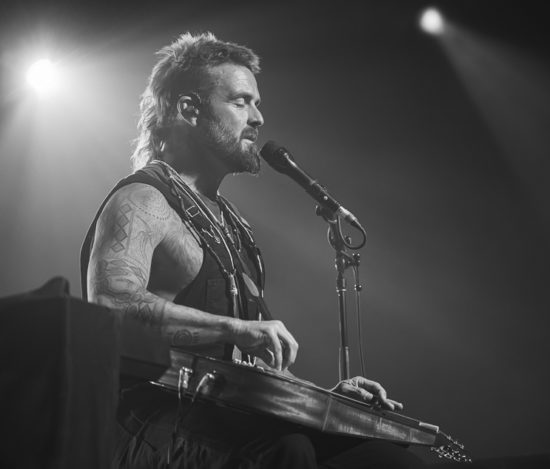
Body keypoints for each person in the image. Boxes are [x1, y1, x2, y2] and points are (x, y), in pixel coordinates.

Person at [80, 32, 426, 469]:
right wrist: (236, 328)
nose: (258, 118)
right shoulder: (142, 200)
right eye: (241, 102)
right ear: (188, 109)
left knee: (384, 459)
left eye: (257, 103)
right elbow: (110, 306)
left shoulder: (232, 224)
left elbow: (247, 361)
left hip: (228, 417)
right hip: (144, 421)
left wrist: (321, 399)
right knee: (285, 451)